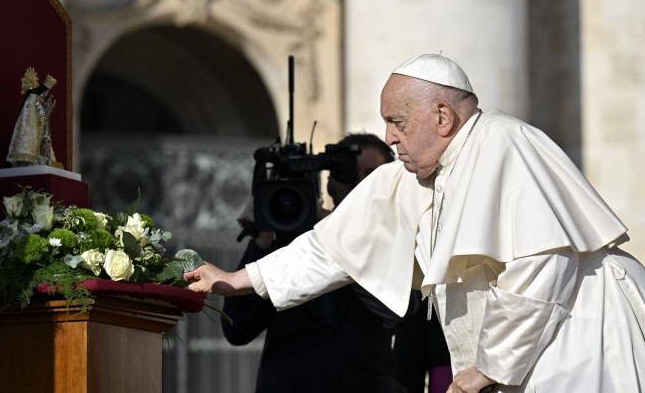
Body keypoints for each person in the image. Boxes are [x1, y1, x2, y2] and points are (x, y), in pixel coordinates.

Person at [184, 54, 645, 393]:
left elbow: (542, 264)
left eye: (397, 121)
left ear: (443, 117)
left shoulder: (506, 142)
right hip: (528, 351)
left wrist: (488, 368)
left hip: (583, 333)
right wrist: (235, 280)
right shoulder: (415, 176)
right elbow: (329, 249)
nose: (389, 137)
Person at [222, 133, 414, 393]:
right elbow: (237, 330)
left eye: (372, 176)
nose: (360, 185)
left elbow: (398, 313)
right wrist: (263, 239)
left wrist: (334, 238)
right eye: (347, 172)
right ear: (330, 183)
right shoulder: (288, 241)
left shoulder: (393, 243)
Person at [7, 67, 58, 167]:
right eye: (46, 91)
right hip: (31, 128)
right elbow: (29, 116)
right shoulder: (33, 98)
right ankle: (27, 155)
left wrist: (46, 112)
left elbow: (42, 118)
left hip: (38, 130)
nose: (46, 94)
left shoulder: (40, 101)